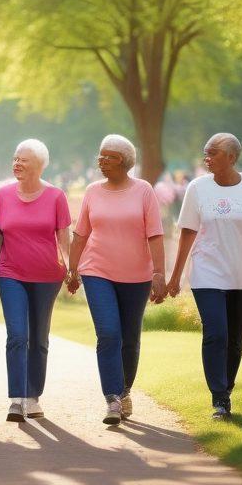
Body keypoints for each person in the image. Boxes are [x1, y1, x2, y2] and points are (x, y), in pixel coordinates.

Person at [167, 132, 242, 420]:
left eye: (213, 152)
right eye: (205, 152)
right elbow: (187, 233)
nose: (206, 157)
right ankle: (219, 398)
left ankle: (225, 390)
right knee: (216, 332)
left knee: (235, 340)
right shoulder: (197, 188)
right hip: (207, 273)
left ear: (232, 157)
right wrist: (175, 276)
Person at [66, 134, 166, 425]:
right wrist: (73, 270)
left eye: (107, 156)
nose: (101, 161)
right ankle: (112, 398)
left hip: (137, 275)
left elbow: (155, 235)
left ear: (122, 161)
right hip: (97, 271)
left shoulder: (144, 191)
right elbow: (80, 233)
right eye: (100, 155)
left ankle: (124, 391)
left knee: (129, 337)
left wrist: (158, 273)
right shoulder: (93, 191)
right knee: (109, 333)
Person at [0, 139, 71, 423]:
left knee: (39, 338)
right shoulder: (3, 195)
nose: (17, 164)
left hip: (47, 276)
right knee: (18, 335)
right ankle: (17, 399)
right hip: (11, 273)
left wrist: (70, 268)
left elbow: (64, 238)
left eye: (23, 160)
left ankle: (33, 397)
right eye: (15, 158)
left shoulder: (56, 196)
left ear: (39, 165)